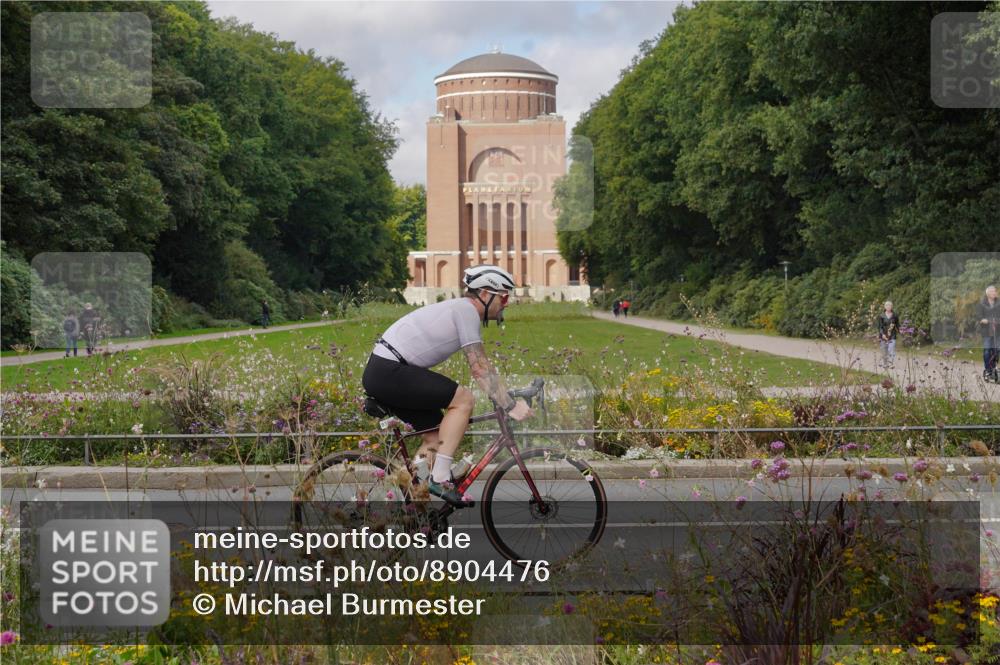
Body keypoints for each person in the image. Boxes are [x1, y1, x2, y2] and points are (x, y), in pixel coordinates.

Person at [361, 265, 533, 505]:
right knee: (464, 399)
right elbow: (479, 368)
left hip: (385, 371)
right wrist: (510, 405)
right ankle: (441, 478)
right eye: (503, 297)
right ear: (485, 294)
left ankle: (415, 507)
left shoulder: (462, 310)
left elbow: (484, 366)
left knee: (435, 437)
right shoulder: (466, 311)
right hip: (389, 371)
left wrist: (505, 395)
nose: (507, 303)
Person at [976, 285, 999, 381]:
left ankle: (994, 368)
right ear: (988, 293)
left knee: (997, 350)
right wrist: (982, 320)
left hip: (997, 331)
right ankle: (988, 370)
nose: (995, 292)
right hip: (986, 331)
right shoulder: (982, 303)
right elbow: (978, 316)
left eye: (995, 291)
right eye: (993, 291)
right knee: (987, 351)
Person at [876, 300, 900, 369]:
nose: (888, 307)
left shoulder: (895, 315)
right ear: (885, 307)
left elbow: (897, 325)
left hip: (892, 335)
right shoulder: (881, 316)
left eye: (890, 305)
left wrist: (900, 331)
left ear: (892, 307)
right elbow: (879, 326)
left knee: (891, 349)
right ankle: (885, 364)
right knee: (884, 350)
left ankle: (891, 364)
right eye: (887, 305)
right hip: (883, 335)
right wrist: (882, 334)